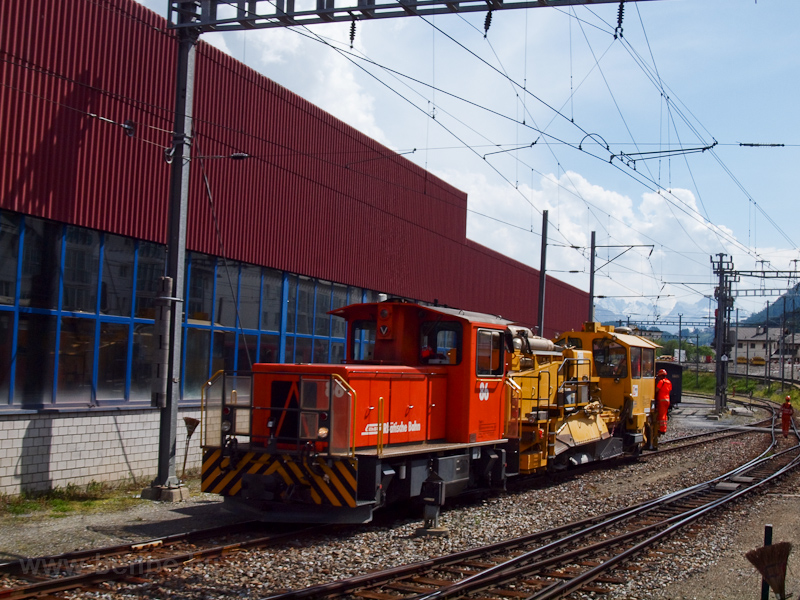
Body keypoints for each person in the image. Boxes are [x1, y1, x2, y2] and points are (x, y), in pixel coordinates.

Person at [655, 368, 672, 434]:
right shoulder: (669, 382)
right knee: (665, 415)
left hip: (661, 400)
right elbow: (669, 391)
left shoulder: (661, 382)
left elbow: (657, 390)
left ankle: (662, 430)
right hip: (667, 400)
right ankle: (664, 428)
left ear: (661, 376)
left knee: (661, 415)